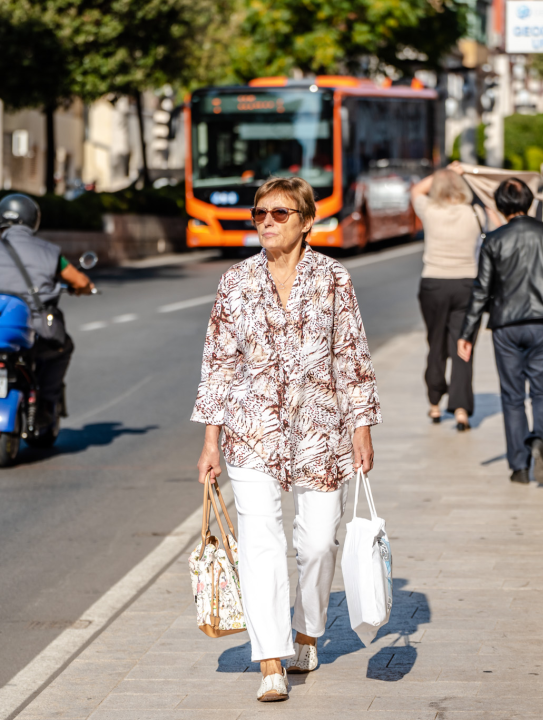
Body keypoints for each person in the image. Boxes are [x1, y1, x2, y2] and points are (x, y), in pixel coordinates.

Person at [193, 177, 380, 703]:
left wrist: (361, 426)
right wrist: (211, 440)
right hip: (251, 431)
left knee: (319, 541)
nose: (267, 222)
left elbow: (351, 358)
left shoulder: (333, 279)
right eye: (260, 214)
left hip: (321, 429)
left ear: (305, 221)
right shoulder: (235, 282)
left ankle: (307, 633)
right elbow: (219, 366)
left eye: (279, 213)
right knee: (260, 542)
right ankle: (270, 659)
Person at [457, 178, 543, 486]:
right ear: (530, 202)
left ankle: (519, 465)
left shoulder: (493, 240)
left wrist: (468, 333)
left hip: (506, 327)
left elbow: (481, 290)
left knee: (513, 397)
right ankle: (540, 438)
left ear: (501, 207)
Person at [0, 194, 94, 428]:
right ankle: (46, 404)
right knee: (61, 348)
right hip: (31, 328)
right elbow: (80, 282)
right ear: (33, 220)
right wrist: (85, 289)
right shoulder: (49, 252)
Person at [411, 168, 493, 430]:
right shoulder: (475, 213)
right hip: (467, 285)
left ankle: (434, 404)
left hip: (433, 284)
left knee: (436, 344)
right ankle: (460, 410)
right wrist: (465, 174)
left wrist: (445, 171)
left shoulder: (429, 210)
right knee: (463, 346)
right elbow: (494, 213)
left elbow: (416, 190)